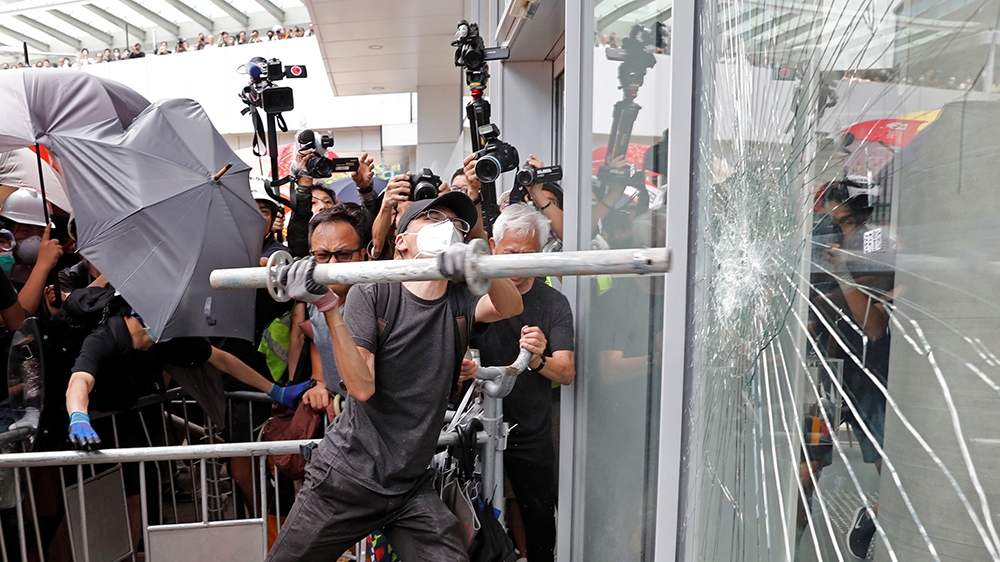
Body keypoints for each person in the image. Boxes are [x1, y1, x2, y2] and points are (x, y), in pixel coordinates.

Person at [265, 190, 523, 561]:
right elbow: (361, 387)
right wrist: (326, 305)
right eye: (433, 220)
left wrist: (479, 261)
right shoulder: (374, 294)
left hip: (409, 487)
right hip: (347, 479)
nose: (447, 228)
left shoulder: (460, 300)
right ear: (401, 241)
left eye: (455, 224)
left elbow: (510, 305)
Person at [468, 204, 574, 562]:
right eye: (511, 254)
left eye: (527, 256)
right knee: (472, 517)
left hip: (530, 429)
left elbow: (567, 372)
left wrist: (540, 357)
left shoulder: (553, 302)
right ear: (494, 248)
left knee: (540, 518)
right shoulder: (474, 293)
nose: (517, 265)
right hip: (474, 427)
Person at [812, 180, 894, 559]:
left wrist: (843, 278)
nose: (837, 231)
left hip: (868, 375)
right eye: (831, 221)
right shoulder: (832, 247)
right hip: (831, 371)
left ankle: (876, 514)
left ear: (863, 216)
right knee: (806, 463)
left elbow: (874, 317)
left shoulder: (875, 241)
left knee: (885, 462)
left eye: (844, 222)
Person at [289, 203, 371, 412]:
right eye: (322, 255)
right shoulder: (314, 295)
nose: (332, 264)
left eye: (343, 254)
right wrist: (319, 381)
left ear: (362, 255)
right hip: (340, 411)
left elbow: (363, 389)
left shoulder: (377, 301)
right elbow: (317, 337)